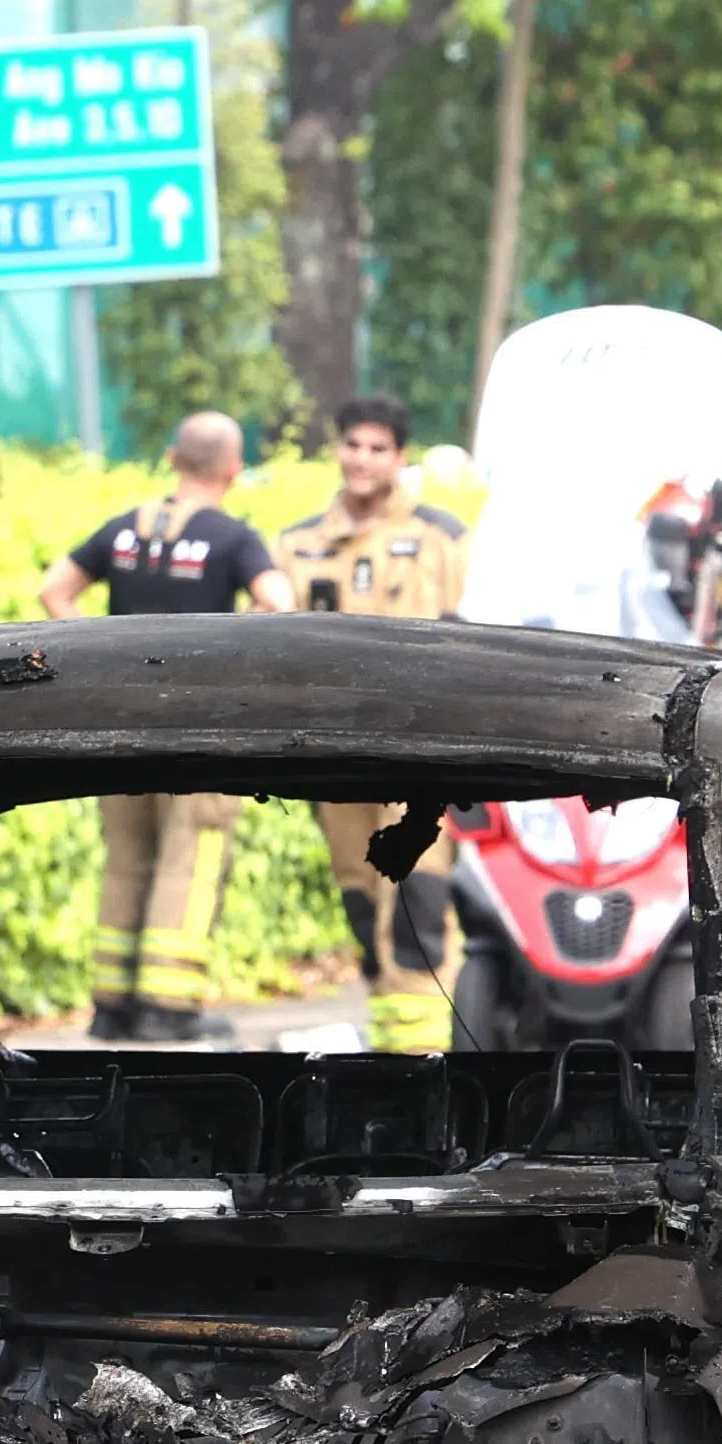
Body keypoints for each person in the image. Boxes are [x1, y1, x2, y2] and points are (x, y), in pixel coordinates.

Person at [42, 411, 293, 1039]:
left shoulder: (124, 529)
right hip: (198, 726)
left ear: (172, 458)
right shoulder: (233, 537)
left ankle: (110, 1006)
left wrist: (98, 657)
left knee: (126, 855)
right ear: (234, 470)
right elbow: (278, 602)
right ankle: (168, 1010)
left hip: (119, 723)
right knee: (192, 855)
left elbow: (54, 591)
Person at [270, 396, 471, 1053]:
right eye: (353, 444)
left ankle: (435, 1053)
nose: (362, 458)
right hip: (335, 752)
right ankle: (392, 1048)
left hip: (423, 752)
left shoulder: (443, 537)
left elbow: (479, 639)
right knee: (361, 898)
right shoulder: (297, 542)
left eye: (378, 448)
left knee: (420, 894)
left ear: (400, 458)